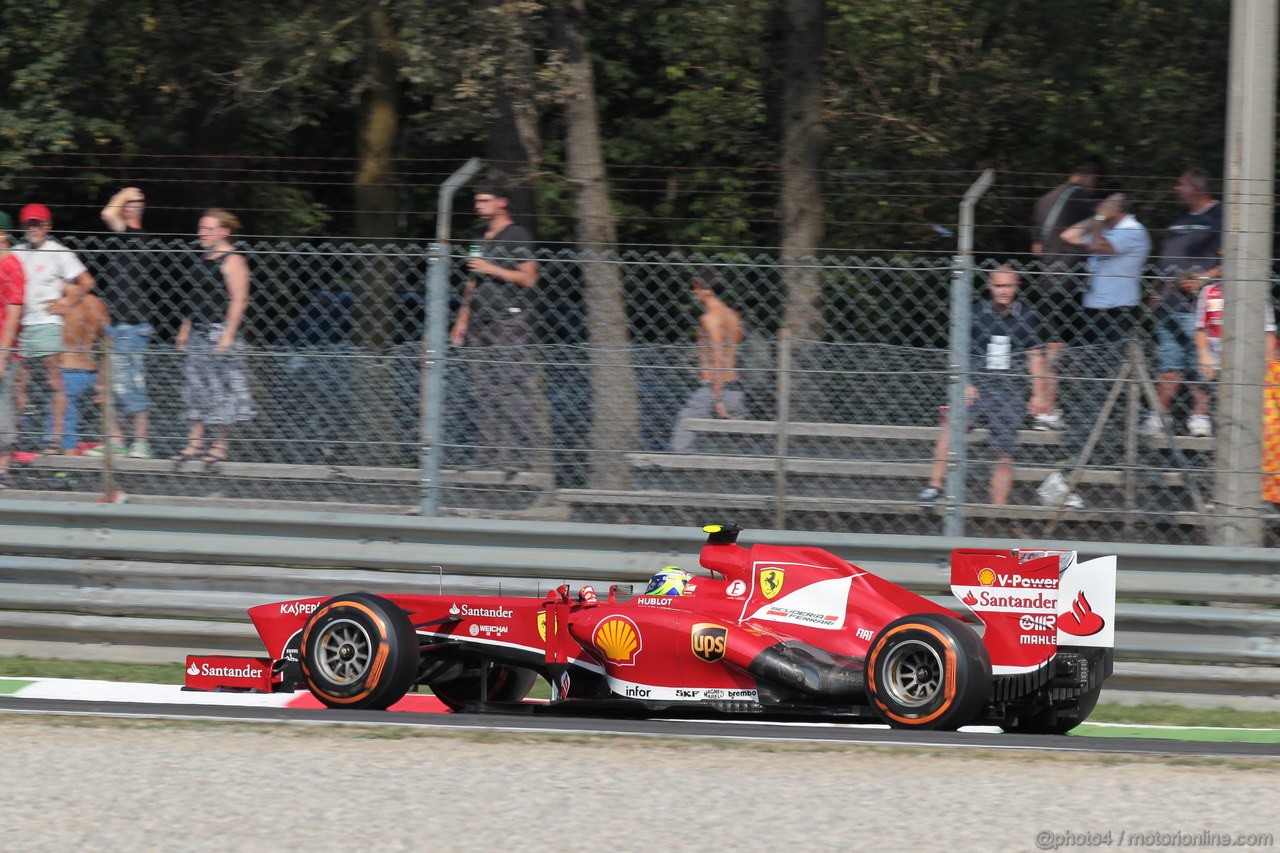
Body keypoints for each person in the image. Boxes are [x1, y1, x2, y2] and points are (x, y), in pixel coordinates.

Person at [1049, 192, 1151, 508]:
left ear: (1117, 209)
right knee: (1091, 384)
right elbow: (1068, 235)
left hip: (1115, 316)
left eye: (1104, 206)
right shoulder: (1105, 228)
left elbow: (1094, 246)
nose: (1097, 210)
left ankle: (1093, 451)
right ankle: (1084, 444)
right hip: (1093, 314)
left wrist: (1098, 220)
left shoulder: (1133, 232)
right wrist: (1098, 218)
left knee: (1104, 385)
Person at [919, 266, 1046, 506]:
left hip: (1010, 390)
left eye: (1008, 286)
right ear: (989, 286)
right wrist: (964, 383)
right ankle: (934, 487)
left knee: (1003, 454)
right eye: (998, 285)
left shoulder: (1026, 316)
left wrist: (1038, 394)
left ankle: (997, 510)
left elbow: (1035, 357)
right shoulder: (975, 313)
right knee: (952, 427)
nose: (1003, 291)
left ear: (1017, 286)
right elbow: (957, 350)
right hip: (976, 386)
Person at [449, 186, 540, 469]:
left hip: (508, 321)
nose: (479, 205)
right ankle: (486, 455)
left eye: (485, 200)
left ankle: (520, 456)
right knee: (482, 390)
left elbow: (529, 278)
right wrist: (461, 320)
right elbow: (473, 280)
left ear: (502, 203)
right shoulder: (478, 237)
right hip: (479, 322)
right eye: (477, 200)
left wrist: (493, 269)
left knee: (510, 387)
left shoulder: (517, 235)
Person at [13, 203, 96, 455]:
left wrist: (66, 302)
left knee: (53, 381)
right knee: (19, 383)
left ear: (48, 226)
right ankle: (14, 435)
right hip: (20, 325)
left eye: (38, 223)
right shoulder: (16, 252)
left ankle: (55, 439)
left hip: (47, 324)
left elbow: (87, 281)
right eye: (29, 223)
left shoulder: (59, 252)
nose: (33, 228)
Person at [173, 209, 253, 470]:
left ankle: (219, 446)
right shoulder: (201, 259)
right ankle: (194, 443)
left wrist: (228, 334)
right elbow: (193, 298)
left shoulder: (233, 261)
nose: (201, 234)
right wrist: (185, 328)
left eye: (207, 229)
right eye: (201, 229)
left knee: (222, 390)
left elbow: (239, 299)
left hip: (220, 330)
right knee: (196, 389)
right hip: (198, 330)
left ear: (224, 231)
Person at [1147, 168, 1221, 438]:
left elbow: (1230, 260)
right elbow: (1167, 261)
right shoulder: (1180, 219)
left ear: (1196, 187)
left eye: (1181, 185)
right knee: (1168, 363)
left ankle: (1200, 417)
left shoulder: (1218, 217)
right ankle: (1158, 417)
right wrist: (1155, 293)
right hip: (1168, 304)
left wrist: (1202, 278)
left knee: (1201, 361)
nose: (1177, 190)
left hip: (1198, 305)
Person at [1029, 160, 1101, 430]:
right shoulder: (1083, 199)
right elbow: (1094, 240)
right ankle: (1048, 408)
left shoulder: (1044, 200)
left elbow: (1036, 248)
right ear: (1089, 176)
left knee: (1050, 344)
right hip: (1072, 282)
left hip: (1047, 280)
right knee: (1061, 349)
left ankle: (1045, 406)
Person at [91, 186, 154, 458]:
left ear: (131, 209)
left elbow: (107, 212)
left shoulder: (135, 237)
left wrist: (124, 192)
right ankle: (116, 440)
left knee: (131, 383)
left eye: (126, 204)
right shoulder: (125, 239)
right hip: (115, 324)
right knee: (109, 385)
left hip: (132, 324)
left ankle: (141, 442)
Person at [669, 268, 746, 452]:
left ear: (706, 289)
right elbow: (730, 351)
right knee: (735, 446)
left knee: (683, 433)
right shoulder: (733, 316)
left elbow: (718, 354)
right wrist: (701, 361)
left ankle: (675, 473)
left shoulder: (709, 318)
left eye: (695, 286)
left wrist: (717, 398)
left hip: (713, 389)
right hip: (734, 389)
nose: (693, 291)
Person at [49, 292, 110, 454]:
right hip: (90, 371)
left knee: (63, 428)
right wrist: (102, 380)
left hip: (67, 370)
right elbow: (107, 342)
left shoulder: (62, 302)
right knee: (72, 425)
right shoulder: (98, 303)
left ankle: (65, 470)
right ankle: (67, 468)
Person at [0, 212, 24, 484]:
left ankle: (3, 469)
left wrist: (3, 354)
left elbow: (14, 314)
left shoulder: (12, 266)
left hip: (3, 349)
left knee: (3, 408)